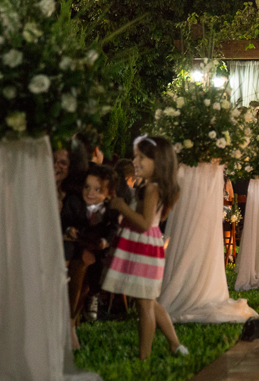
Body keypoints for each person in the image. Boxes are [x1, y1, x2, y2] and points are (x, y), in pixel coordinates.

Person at [103, 136, 188, 360]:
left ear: (157, 161)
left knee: (144, 305)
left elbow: (144, 223)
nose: (136, 161)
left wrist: (122, 206)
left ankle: (144, 357)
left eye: (141, 157)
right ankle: (175, 345)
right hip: (151, 246)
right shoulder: (165, 188)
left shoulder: (151, 189)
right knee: (148, 300)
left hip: (143, 248)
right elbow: (160, 219)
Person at [61, 164, 120, 347]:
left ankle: (76, 316)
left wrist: (105, 241)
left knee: (87, 287)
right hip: (76, 248)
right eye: (87, 187)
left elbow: (113, 229)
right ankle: (68, 323)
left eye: (97, 189)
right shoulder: (74, 202)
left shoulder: (109, 209)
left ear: (108, 193)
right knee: (76, 276)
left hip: (96, 253)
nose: (90, 193)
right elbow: (64, 221)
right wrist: (69, 230)